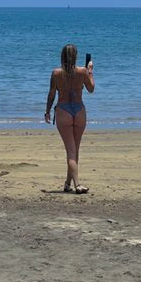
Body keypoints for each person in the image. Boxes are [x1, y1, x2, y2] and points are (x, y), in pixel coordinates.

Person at [44, 43, 95, 194]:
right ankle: (73, 184)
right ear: (76, 56)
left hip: (63, 110)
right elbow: (91, 89)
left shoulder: (56, 73)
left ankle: (72, 184)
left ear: (62, 56)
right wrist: (90, 72)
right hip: (79, 110)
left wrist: (47, 111)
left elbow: (51, 95)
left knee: (72, 151)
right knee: (74, 150)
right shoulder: (83, 71)